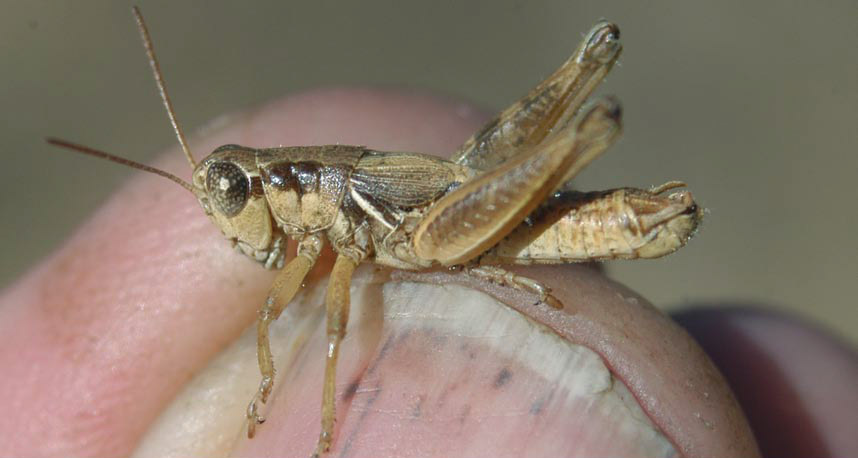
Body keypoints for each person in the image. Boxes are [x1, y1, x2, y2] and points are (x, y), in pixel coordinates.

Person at [1, 90, 854, 457]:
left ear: (275, 186)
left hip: (449, 218)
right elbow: (278, 311)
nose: (228, 209)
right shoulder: (309, 239)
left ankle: (600, 165)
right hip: (438, 213)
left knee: (328, 312)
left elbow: (330, 316)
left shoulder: (328, 217)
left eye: (230, 190)